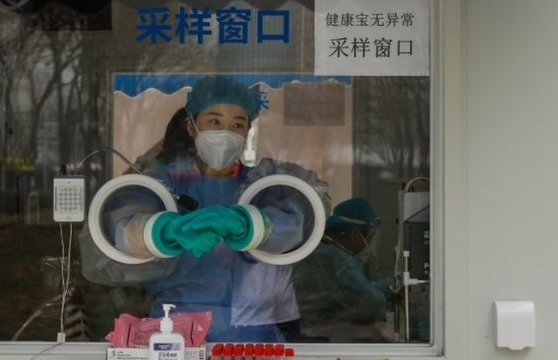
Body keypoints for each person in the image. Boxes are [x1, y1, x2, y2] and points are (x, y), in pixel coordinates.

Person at [80, 75, 330, 342]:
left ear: (248, 132)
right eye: (214, 121)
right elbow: (115, 230)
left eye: (238, 124)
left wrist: (255, 225)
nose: (226, 132)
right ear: (191, 126)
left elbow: (309, 208)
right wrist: (161, 231)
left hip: (256, 331)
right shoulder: (163, 183)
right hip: (175, 330)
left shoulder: (267, 182)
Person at [292, 198, 393, 343]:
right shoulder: (335, 259)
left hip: (313, 335)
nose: (369, 243)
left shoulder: (323, 251)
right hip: (320, 338)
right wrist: (389, 288)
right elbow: (371, 303)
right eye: (369, 236)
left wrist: (387, 287)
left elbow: (349, 291)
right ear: (353, 233)